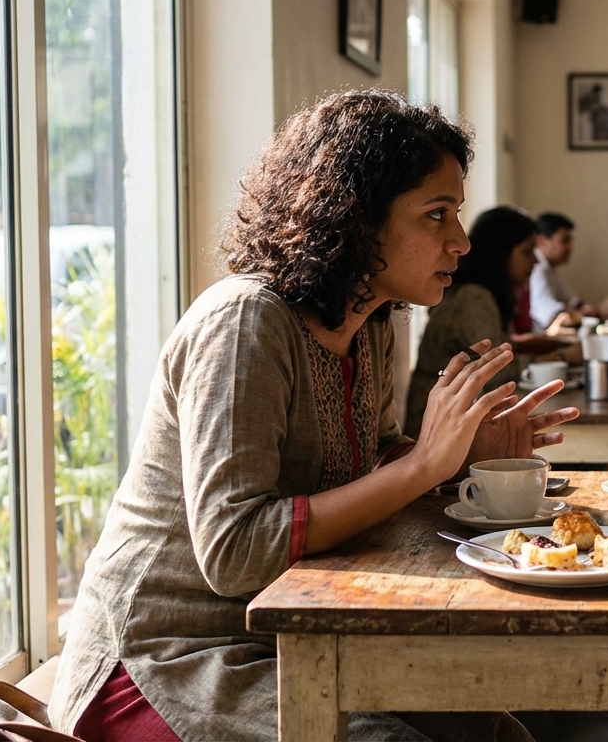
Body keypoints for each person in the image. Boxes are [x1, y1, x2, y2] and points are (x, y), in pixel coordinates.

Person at [48, 90, 578, 741]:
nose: (461, 242)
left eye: (457, 215)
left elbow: (371, 458)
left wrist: (460, 454)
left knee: (499, 736)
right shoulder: (245, 322)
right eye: (437, 215)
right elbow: (235, 551)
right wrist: (420, 466)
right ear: (356, 219)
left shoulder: (371, 322)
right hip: (164, 660)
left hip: (292, 634)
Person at [406, 205, 578, 436]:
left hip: (448, 429)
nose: (535, 263)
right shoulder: (474, 298)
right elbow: (498, 371)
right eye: (527, 252)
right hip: (432, 438)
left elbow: (504, 349)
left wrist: (553, 344)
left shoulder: (481, 294)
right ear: (500, 254)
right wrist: (564, 357)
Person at [528, 211, 597, 332]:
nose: (571, 248)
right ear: (542, 241)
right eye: (564, 241)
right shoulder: (537, 269)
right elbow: (550, 314)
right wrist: (586, 312)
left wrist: (585, 308)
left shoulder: (550, 268)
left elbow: (571, 300)